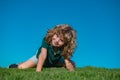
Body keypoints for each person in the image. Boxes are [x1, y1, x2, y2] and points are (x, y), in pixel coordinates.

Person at [9, 24, 76, 72]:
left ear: (65, 43)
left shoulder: (64, 48)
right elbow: (43, 55)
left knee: (72, 64)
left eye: (61, 40)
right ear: (54, 32)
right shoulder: (47, 39)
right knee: (22, 67)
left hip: (55, 61)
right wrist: (38, 71)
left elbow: (67, 61)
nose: (57, 40)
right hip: (40, 57)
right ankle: (18, 64)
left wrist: (72, 72)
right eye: (57, 36)